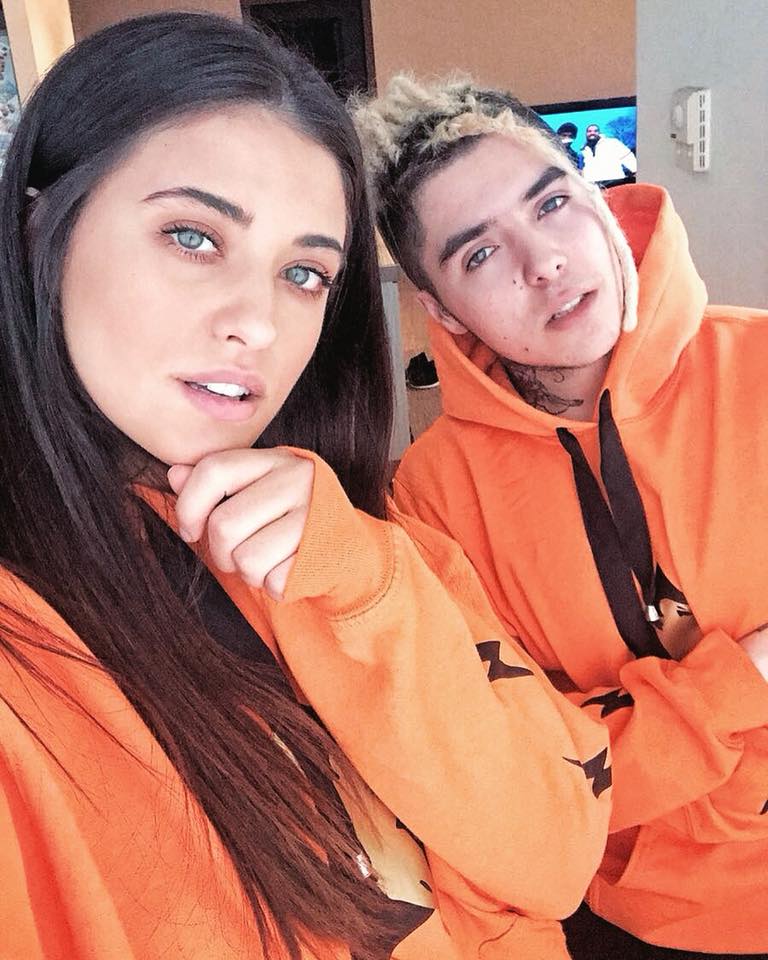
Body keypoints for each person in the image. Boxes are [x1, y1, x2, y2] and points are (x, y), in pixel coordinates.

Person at [0, 16, 612, 960]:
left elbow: (556, 857)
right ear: (43, 227)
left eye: (303, 272)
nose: (258, 322)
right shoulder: (27, 659)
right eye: (193, 236)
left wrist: (364, 585)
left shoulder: (371, 538)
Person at [353, 74, 768, 959]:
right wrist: (746, 680)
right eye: (479, 254)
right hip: (626, 914)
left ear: (600, 201)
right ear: (441, 310)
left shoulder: (760, 365)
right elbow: (526, 773)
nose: (542, 262)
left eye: (551, 205)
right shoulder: (432, 499)